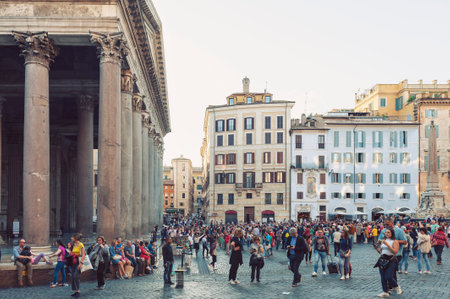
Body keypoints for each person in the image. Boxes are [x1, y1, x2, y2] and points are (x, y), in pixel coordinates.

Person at [374, 228, 402, 297]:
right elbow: (381, 251)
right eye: (386, 232)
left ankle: (396, 286)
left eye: (388, 232)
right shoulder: (384, 241)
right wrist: (377, 248)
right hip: (383, 259)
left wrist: (387, 245)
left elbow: (395, 251)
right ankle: (385, 291)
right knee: (383, 277)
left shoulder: (394, 241)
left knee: (388, 276)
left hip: (391, 259)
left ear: (392, 233)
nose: (387, 234)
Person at [69, 233, 85, 297]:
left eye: (72, 237)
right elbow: (72, 252)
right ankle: (76, 291)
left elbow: (83, 254)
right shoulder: (74, 244)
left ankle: (78, 291)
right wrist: (70, 250)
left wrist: (81, 263)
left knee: (76, 276)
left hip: (78, 262)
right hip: (74, 262)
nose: (71, 238)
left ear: (75, 238)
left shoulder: (81, 245)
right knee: (73, 277)